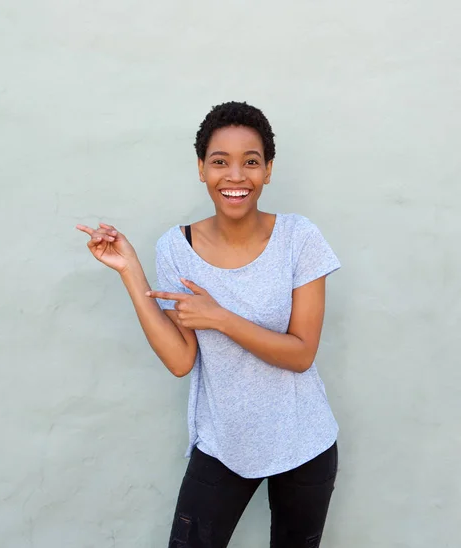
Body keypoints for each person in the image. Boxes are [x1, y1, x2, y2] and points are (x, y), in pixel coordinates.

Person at [76, 101, 341, 548]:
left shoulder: (300, 238)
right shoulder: (175, 247)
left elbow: (301, 354)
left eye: (250, 162)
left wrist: (219, 318)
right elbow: (181, 361)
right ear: (202, 169)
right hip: (222, 442)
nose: (235, 176)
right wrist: (130, 271)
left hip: (304, 441)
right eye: (220, 162)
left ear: (268, 171)